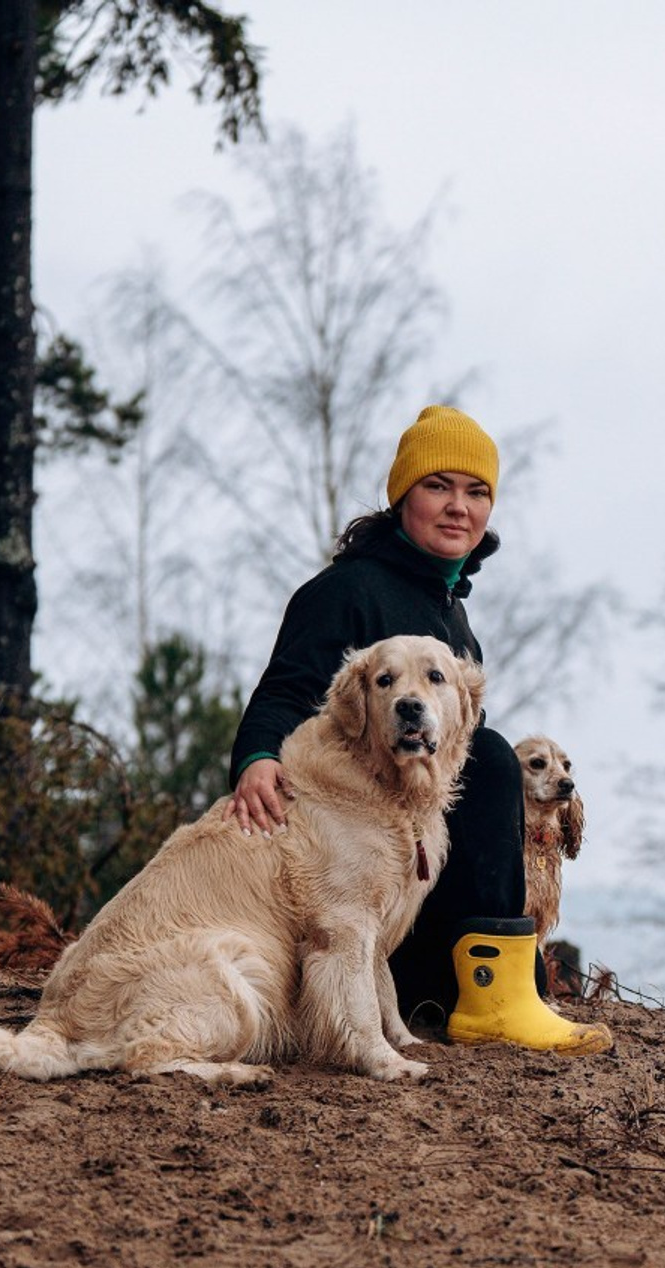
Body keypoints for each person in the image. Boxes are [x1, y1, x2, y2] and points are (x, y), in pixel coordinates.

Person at [226, 405, 611, 1055]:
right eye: (439, 486)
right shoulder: (346, 592)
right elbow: (287, 691)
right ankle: (489, 1000)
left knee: (483, 759)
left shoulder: (454, 619)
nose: (458, 506)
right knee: (489, 756)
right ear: (403, 495)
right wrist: (259, 758)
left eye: (477, 491)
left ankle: (498, 984)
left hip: (413, 892)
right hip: (347, 892)